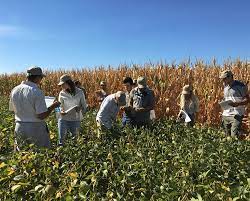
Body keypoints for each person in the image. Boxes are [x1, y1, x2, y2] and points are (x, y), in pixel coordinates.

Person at [9, 66, 60, 149]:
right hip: (35, 128)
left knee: (22, 155)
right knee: (39, 154)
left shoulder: (15, 90)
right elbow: (41, 115)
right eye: (41, 78)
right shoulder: (36, 91)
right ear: (37, 78)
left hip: (19, 127)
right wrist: (52, 107)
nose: (41, 80)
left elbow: (13, 109)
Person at [58, 75, 87, 145]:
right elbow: (59, 106)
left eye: (62, 84)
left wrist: (80, 108)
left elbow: (84, 105)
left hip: (75, 119)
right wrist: (60, 110)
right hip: (63, 118)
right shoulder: (61, 93)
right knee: (61, 139)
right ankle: (61, 154)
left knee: (75, 139)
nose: (61, 86)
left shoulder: (80, 92)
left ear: (68, 83)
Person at [219, 70, 249, 137]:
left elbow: (247, 99)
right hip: (226, 115)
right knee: (226, 136)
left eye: (224, 78)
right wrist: (223, 103)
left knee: (234, 136)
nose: (223, 80)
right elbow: (227, 98)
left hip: (237, 114)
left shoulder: (241, 86)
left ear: (230, 77)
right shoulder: (225, 87)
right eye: (222, 79)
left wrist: (238, 103)